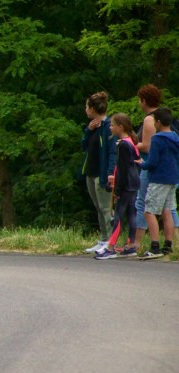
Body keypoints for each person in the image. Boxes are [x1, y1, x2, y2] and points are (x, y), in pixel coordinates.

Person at [132, 85, 179, 252]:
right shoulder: (174, 136)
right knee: (168, 209)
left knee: (148, 209)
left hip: (157, 176)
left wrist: (140, 162)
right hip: (172, 176)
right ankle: (170, 244)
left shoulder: (157, 135)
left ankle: (153, 245)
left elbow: (150, 156)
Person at [94, 114, 140, 259]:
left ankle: (110, 247)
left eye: (112, 125)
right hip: (134, 182)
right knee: (131, 214)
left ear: (121, 127)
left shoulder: (123, 145)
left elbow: (122, 169)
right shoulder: (130, 141)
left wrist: (118, 189)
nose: (110, 127)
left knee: (118, 215)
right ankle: (130, 245)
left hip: (126, 184)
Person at [80, 92, 115, 253]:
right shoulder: (93, 127)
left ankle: (110, 241)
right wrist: (88, 130)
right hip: (91, 171)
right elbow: (84, 146)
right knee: (98, 207)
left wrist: (110, 172)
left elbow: (112, 152)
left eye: (87, 107)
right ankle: (104, 238)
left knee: (106, 208)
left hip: (102, 173)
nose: (85, 109)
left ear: (93, 109)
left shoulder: (108, 127)